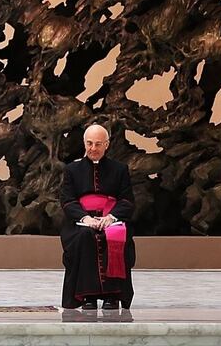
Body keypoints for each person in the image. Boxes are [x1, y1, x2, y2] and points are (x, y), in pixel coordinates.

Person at [60, 124, 136, 311]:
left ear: (107, 145)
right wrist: (86, 219)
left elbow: (127, 200)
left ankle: (112, 296)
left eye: (98, 144)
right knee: (85, 237)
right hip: (82, 222)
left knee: (114, 236)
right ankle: (88, 297)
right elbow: (67, 201)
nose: (93, 148)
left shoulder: (120, 169)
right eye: (89, 143)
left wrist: (111, 217)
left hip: (111, 220)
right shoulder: (72, 170)